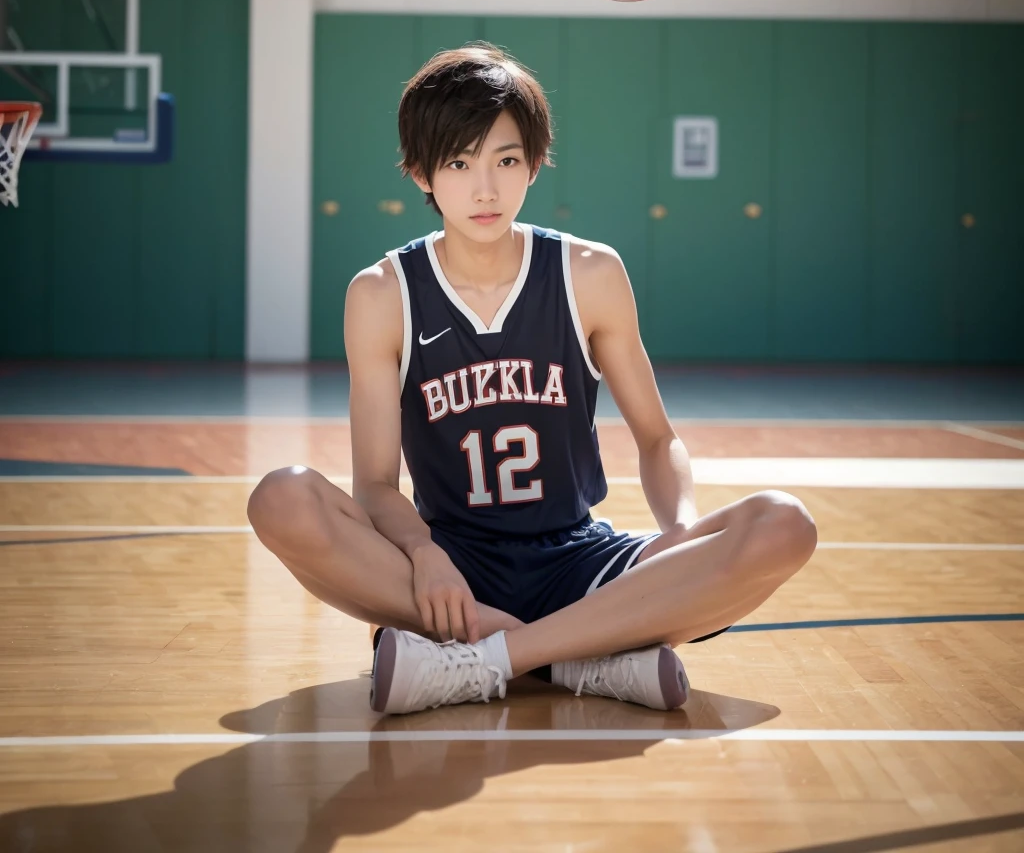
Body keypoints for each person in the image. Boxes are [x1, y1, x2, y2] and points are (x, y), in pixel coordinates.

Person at [247, 44, 817, 715]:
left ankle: (489, 659)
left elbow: (659, 441)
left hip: (580, 561)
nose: (484, 188)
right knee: (280, 499)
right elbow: (374, 484)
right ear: (421, 174)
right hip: (450, 566)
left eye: (505, 160)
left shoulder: (589, 275)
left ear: (535, 164)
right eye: (458, 163)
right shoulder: (382, 294)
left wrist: (682, 528)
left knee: (785, 525)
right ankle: (587, 659)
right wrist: (422, 553)